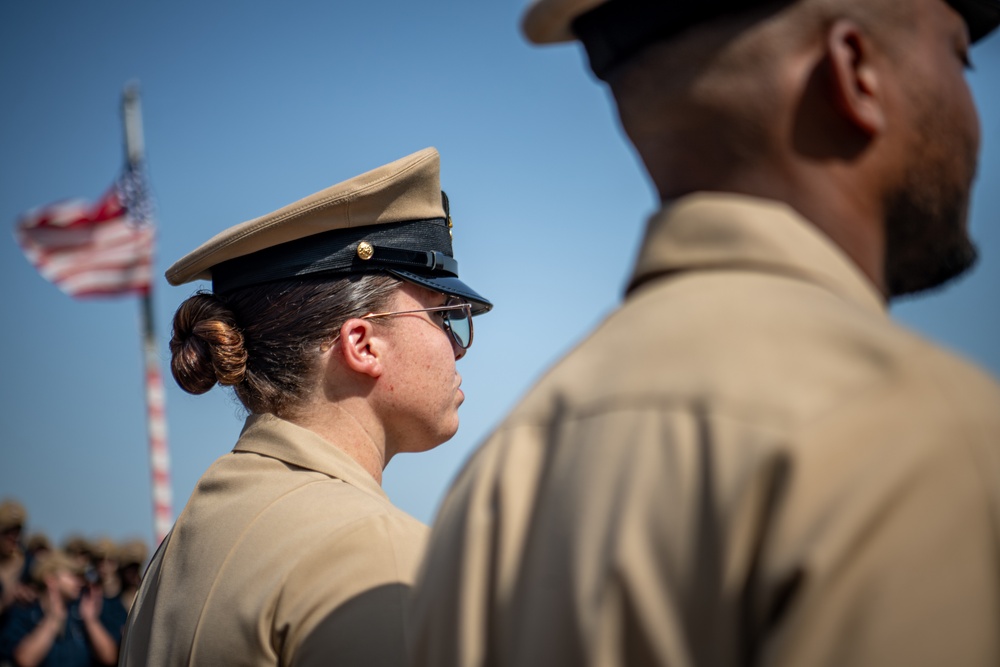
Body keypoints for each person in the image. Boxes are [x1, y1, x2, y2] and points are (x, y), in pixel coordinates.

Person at [409, 2, 1000, 666]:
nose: (974, 106)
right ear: (854, 70)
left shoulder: (491, 484)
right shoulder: (925, 432)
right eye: (961, 55)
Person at [120, 147, 491, 666]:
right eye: (444, 314)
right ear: (362, 344)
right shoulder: (375, 552)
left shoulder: (179, 550)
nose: (459, 345)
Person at [0, 550, 118, 667]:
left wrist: (91, 621)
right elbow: (24, 660)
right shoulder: (25, 613)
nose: (80, 582)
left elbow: (109, 657)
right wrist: (53, 619)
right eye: (72, 575)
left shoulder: (80, 612)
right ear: (51, 579)